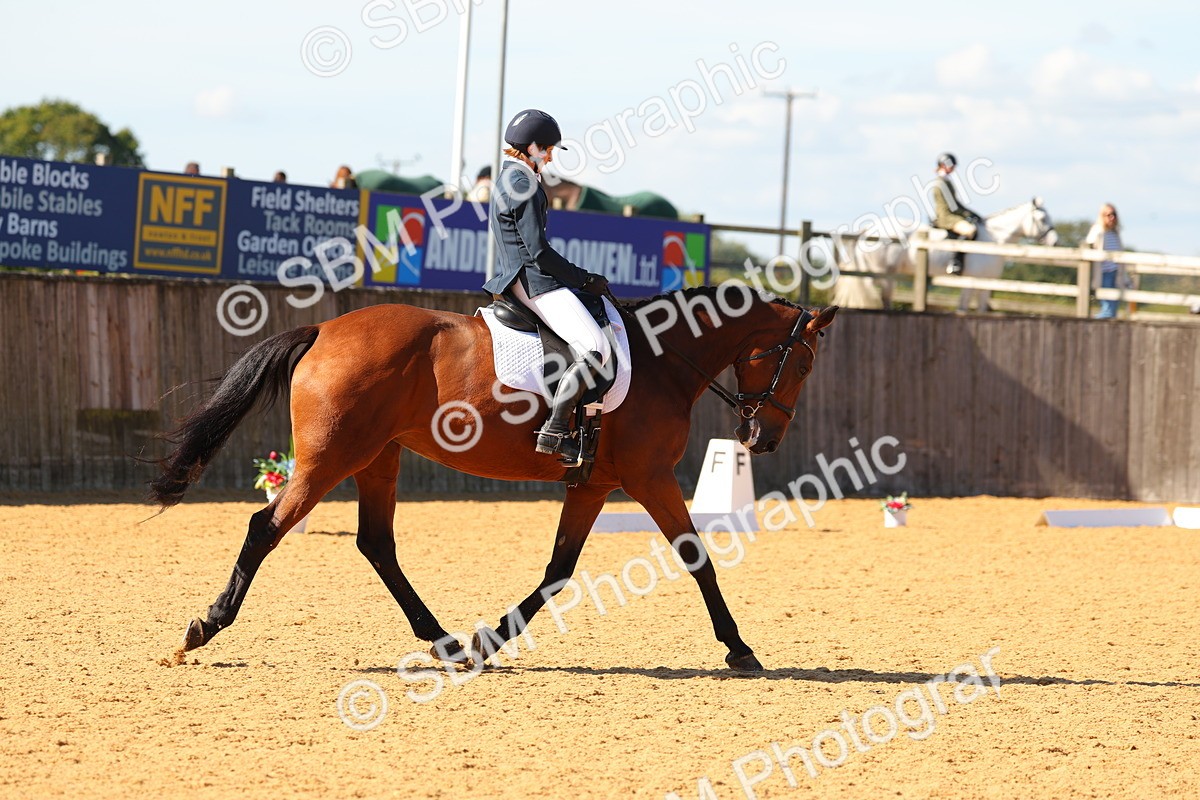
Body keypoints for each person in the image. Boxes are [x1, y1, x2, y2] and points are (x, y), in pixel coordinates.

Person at [482, 109, 611, 463]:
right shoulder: (523, 183)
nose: (551, 156)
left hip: (522, 276)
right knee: (594, 348)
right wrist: (583, 278)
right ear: (533, 147)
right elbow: (539, 251)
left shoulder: (510, 177)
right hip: (533, 281)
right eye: (549, 149)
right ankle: (554, 430)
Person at [929, 152, 985, 275]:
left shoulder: (945, 181)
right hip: (946, 217)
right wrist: (968, 214)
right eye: (951, 165)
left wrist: (971, 213)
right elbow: (953, 206)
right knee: (970, 230)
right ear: (944, 165)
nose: (953, 168)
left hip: (951, 214)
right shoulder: (942, 182)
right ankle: (955, 261)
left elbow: (955, 204)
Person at [1086, 203, 1131, 320]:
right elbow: (1088, 248)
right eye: (1108, 215)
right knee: (1108, 311)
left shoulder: (1115, 233)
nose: (1112, 218)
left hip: (1116, 274)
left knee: (1113, 311)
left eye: (1114, 214)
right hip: (1104, 273)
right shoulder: (1098, 231)